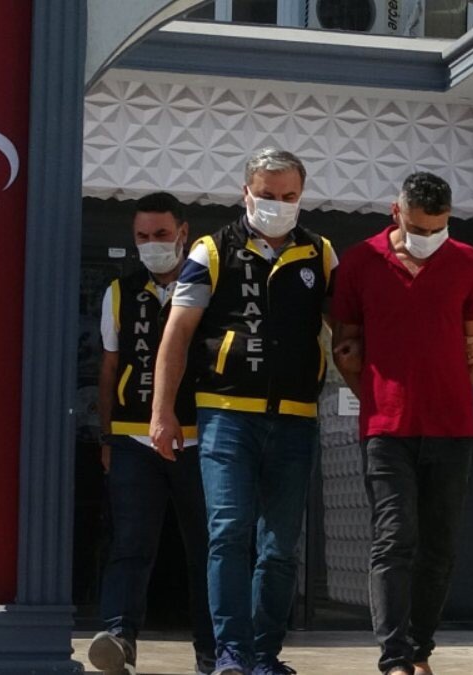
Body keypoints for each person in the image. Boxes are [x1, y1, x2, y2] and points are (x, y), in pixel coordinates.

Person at [151, 149, 337, 675]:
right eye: (268, 195)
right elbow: (177, 335)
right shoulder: (211, 250)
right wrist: (162, 412)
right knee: (229, 531)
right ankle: (230, 651)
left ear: (301, 196)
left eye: (289, 196)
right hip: (226, 415)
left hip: (295, 417)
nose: (278, 204)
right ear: (246, 192)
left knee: (279, 546)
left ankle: (264, 654)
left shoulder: (321, 253)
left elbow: (348, 329)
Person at [330, 172, 473, 675]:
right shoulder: (361, 260)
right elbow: (345, 348)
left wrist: (446, 391)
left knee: (439, 545)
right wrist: (378, 398)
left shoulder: (468, 261)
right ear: (396, 212)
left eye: (439, 228)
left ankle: (420, 650)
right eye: (420, 228)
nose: (429, 237)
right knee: (395, 535)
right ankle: (394, 656)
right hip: (387, 429)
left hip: (452, 428)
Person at [89, 192, 215, 675]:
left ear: (183, 232)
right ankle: (118, 638)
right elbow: (109, 368)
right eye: (142, 236)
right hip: (132, 438)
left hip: (199, 438)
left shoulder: (209, 287)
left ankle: (212, 653)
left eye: (161, 234)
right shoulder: (120, 292)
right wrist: (107, 437)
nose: (152, 244)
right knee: (130, 543)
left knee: (208, 548)